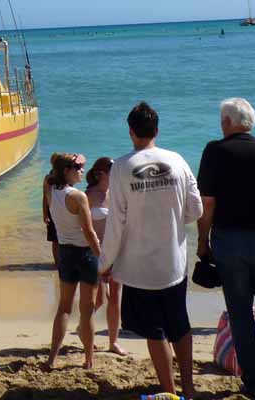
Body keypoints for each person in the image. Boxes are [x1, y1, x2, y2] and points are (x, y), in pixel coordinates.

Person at [99, 101, 202, 399]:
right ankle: (190, 388)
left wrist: (105, 262)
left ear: (131, 131)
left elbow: (116, 221)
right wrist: (171, 218)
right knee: (180, 324)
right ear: (157, 130)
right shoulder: (178, 160)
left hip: (139, 268)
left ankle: (169, 392)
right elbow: (195, 209)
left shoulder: (120, 167)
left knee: (155, 331)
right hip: (174, 262)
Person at [197, 97, 255, 399]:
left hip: (230, 241)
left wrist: (201, 241)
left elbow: (207, 203)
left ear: (227, 123)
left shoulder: (215, 151)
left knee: (241, 313)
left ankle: (254, 380)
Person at [44, 153, 101, 370]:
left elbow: (50, 175)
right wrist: (101, 257)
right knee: (87, 311)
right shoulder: (78, 197)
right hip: (85, 254)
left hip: (65, 253)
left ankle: (52, 358)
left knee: (64, 308)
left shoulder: (50, 188)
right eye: (78, 167)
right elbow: (89, 232)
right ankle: (88, 359)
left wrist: (70, 160)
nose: (82, 170)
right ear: (66, 170)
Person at [85, 156, 126, 356]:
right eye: (112, 171)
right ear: (101, 173)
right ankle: (83, 328)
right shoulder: (89, 195)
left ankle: (113, 342)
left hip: (116, 251)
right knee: (99, 299)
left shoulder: (117, 194)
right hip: (96, 253)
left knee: (115, 298)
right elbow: (83, 228)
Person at [42, 158, 59, 266]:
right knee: (55, 239)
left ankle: (58, 262)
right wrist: (45, 214)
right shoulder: (49, 178)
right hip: (52, 210)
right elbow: (45, 197)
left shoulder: (65, 177)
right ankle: (57, 263)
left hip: (57, 210)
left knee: (56, 239)